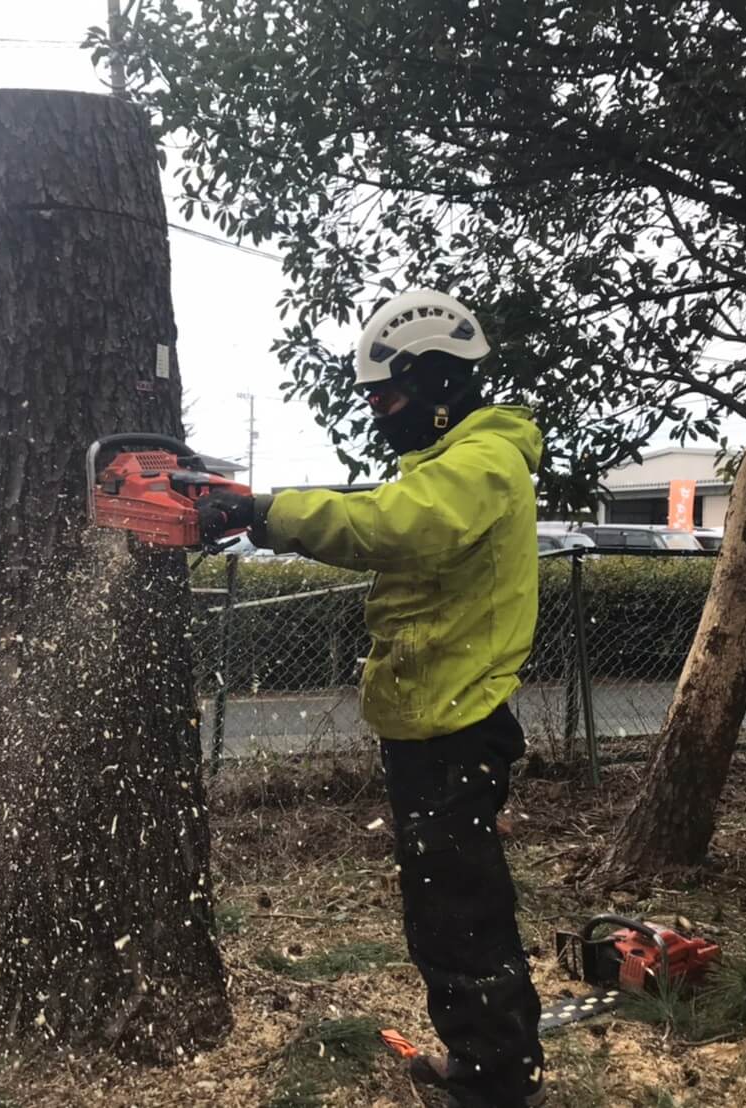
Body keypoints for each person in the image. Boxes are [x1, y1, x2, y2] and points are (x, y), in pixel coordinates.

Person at [197, 288, 546, 1108]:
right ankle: (481, 1063)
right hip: (429, 724)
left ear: (437, 384)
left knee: (463, 912)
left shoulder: (484, 463)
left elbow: (395, 525)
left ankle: (498, 1084)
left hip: (458, 727)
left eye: (387, 396)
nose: (379, 412)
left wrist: (267, 511)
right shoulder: (446, 467)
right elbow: (384, 510)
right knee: (440, 912)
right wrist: (259, 510)